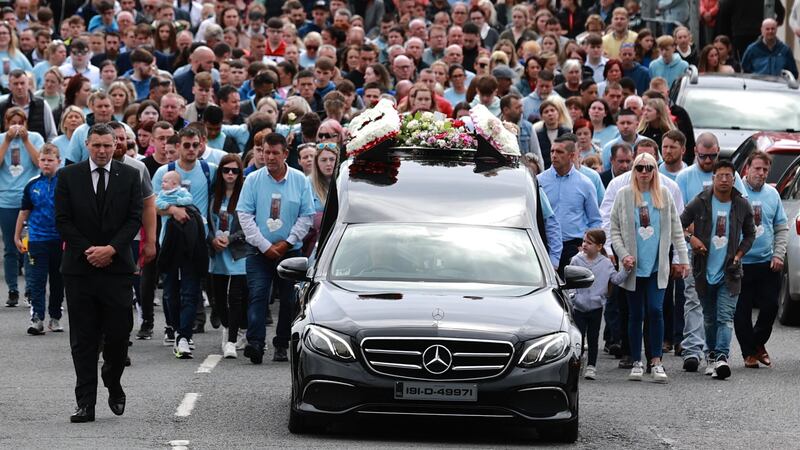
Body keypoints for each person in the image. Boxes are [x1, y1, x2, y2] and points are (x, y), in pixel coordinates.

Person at [55, 123, 143, 423]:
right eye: (97, 146)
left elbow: (134, 220)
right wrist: (89, 250)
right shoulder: (68, 176)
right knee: (83, 338)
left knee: (119, 334)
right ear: (87, 145)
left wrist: (111, 250)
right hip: (80, 268)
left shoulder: (130, 175)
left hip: (117, 267)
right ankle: (85, 403)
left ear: (116, 145)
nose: (103, 151)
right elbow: (63, 220)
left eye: (109, 145)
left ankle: (112, 378)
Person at [610, 152, 690, 383]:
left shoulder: (664, 194)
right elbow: (614, 229)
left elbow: (677, 229)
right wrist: (623, 255)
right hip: (633, 268)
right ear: (633, 171)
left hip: (657, 266)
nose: (644, 172)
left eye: (649, 168)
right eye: (639, 168)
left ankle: (656, 361)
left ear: (656, 170)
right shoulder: (624, 195)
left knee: (655, 310)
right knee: (636, 315)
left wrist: (682, 259)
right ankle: (637, 360)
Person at [236, 132, 314, 364]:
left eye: (275, 153)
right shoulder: (253, 180)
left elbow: (306, 215)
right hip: (259, 252)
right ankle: (256, 343)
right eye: (266, 152)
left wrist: (287, 242)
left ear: (285, 154)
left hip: (290, 252)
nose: (270, 157)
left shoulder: (300, 180)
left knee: (289, 300)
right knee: (258, 295)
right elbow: (245, 215)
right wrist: (265, 245)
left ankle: (282, 343)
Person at [680, 159, 755, 380]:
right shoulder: (700, 202)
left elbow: (750, 234)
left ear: (734, 179)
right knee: (709, 317)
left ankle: (722, 357)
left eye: (728, 176)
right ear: (713, 178)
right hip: (703, 271)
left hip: (730, 272)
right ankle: (711, 355)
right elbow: (679, 224)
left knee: (725, 317)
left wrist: (740, 254)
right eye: (719, 176)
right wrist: (692, 239)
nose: (724, 180)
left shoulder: (742, 204)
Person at [151, 127, 216, 359]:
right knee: (170, 291)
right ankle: (176, 328)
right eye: (186, 145)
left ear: (201, 145)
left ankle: (184, 335)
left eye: (195, 145)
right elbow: (153, 206)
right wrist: (174, 210)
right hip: (169, 240)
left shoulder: (209, 170)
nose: (191, 149)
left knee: (191, 290)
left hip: (196, 240)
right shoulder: (164, 172)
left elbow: (229, 186)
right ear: (177, 146)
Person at [734, 151, 788, 368]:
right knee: (742, 311)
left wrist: (778, 254)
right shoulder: (736, 192)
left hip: (766, 262)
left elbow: (781, 226)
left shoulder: (772, 194)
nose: (762, 173)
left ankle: (757, 344)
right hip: (741, 262)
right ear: (747, 169)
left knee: (770, 307)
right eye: (757, 168)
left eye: (765, 169)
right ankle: (749, 353)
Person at [537, 134, 602, 275]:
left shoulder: (585, 184)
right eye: (552, 151)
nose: (554, 155)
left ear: (572, 156)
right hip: (543, 245)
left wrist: (586, 247)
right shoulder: (539, 181)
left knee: (574, 294)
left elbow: (595, 220)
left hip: (573, 247)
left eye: (559, 152)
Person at [15, 144, 62, 334]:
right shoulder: (32, 184)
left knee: (58, 280)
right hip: (37, 239)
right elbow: (24, 211)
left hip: (60, 239)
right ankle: (37, 318)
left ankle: (55, 317)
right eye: (43, 160)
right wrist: (17, 235)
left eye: (50, 160)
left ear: (58, 161)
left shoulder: (65, 183)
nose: (46, 164)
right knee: (37, 279)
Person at [0, 107, 45, 307]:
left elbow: (40, 163)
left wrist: (26, 141)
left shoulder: (35, 138)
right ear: (6, 123)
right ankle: (12, 289)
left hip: (29, 200)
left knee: (28, 245)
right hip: (6, 200)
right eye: (12, 122)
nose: (16, 126)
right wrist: (7, 140)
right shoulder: (2, 138)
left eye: (20, 122)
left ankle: (29, 287)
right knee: (10, 247)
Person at [571, 228, 630, 380]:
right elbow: (570, 280)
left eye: (589, 243)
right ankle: (576, 364)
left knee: (593, 337)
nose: (585, 245)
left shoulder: (606, 263)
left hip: (596, 307)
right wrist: (573, 296)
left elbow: (616, 279)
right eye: (584, 241)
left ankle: (591, 366)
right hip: (578, 306)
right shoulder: (576, 260)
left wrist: (626, 270)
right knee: (578, 338)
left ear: (599, 246)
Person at [209, 154, 248, 359]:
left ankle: (231, 340)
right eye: (226, 170)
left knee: (235, 297)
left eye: (235, 170)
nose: (230, 174)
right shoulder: (214, 196)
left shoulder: (244, 195)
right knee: (218, 298)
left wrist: (230, 239)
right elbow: (206, 222)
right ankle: (227, 327)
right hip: (217, 253)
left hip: (237, 253)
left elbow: (248, 225)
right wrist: (212, 241)